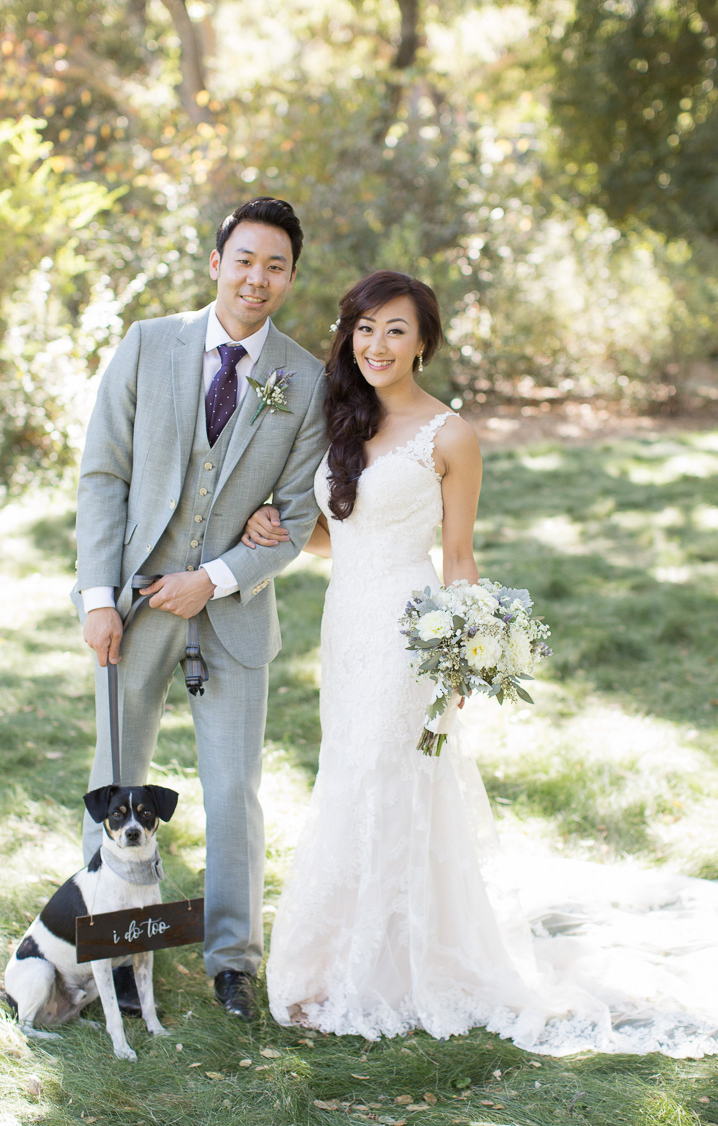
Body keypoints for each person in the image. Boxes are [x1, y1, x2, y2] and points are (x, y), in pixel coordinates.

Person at [242, 270, 718, 1054]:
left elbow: (457, 555)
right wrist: (277, 532)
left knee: (386, 776)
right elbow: (339, 533)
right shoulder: (341, 419)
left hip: (408, 630)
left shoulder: (450, 435)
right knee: (350, 774)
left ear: (423, 341)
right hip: (346, 628)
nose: (377, 344)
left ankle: (390, 969)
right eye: (364, 328)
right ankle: (355, 951)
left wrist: (460, 657)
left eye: (395, 329)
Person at [71, 197, 327, 1023]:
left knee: (233, 792)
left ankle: (231, 965)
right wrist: (98, 597)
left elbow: (296, 519)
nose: (258, 277)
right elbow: (103, 473)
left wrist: (214, 578)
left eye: (276, 265)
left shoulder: (306, 378)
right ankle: (100, 948)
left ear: (290, 278)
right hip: (136, 605)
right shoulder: (149, 344)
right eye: (245, 259)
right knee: (115, 780)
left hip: (233, 616)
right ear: (217, 262)